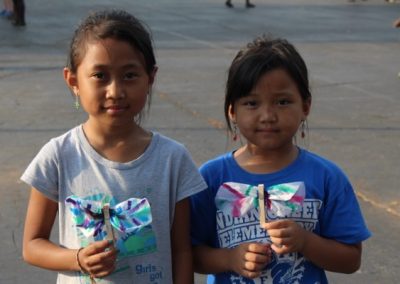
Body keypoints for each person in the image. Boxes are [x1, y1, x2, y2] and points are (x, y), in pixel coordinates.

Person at [21, 9, 207, 284]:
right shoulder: (59, 155)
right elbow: (32, 245)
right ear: (73, 81)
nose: (115, 91)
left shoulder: (172, 159)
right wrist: (78, 258)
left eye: (129, 75)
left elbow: (181, 251)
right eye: (100, 76)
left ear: (150, 77)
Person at [190, 35, 371, 283]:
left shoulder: (327, 177)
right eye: (252, 103)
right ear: (232, 110)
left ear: (305, 105)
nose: (268, 115)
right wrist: (230, 259)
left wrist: (306, 241)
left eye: (283, 102)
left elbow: (351, 259)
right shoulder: (211, 177)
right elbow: (189, 253)